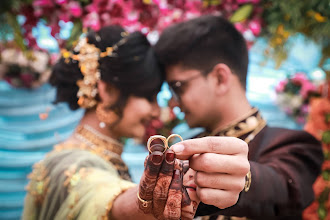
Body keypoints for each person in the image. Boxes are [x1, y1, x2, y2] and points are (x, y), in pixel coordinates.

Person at [22, 25, 249, 220]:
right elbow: (105, 198)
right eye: (149, 97)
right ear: (108, 91)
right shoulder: (72, 164)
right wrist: (167, 190)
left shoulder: (81, 156)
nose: (155, 111)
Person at [154, 15, 323, 220]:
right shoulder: (186, 149)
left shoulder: (292, 145)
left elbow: (285, 187)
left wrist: (242, 180)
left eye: (178, 88)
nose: (172, 103)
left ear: (220, 78)